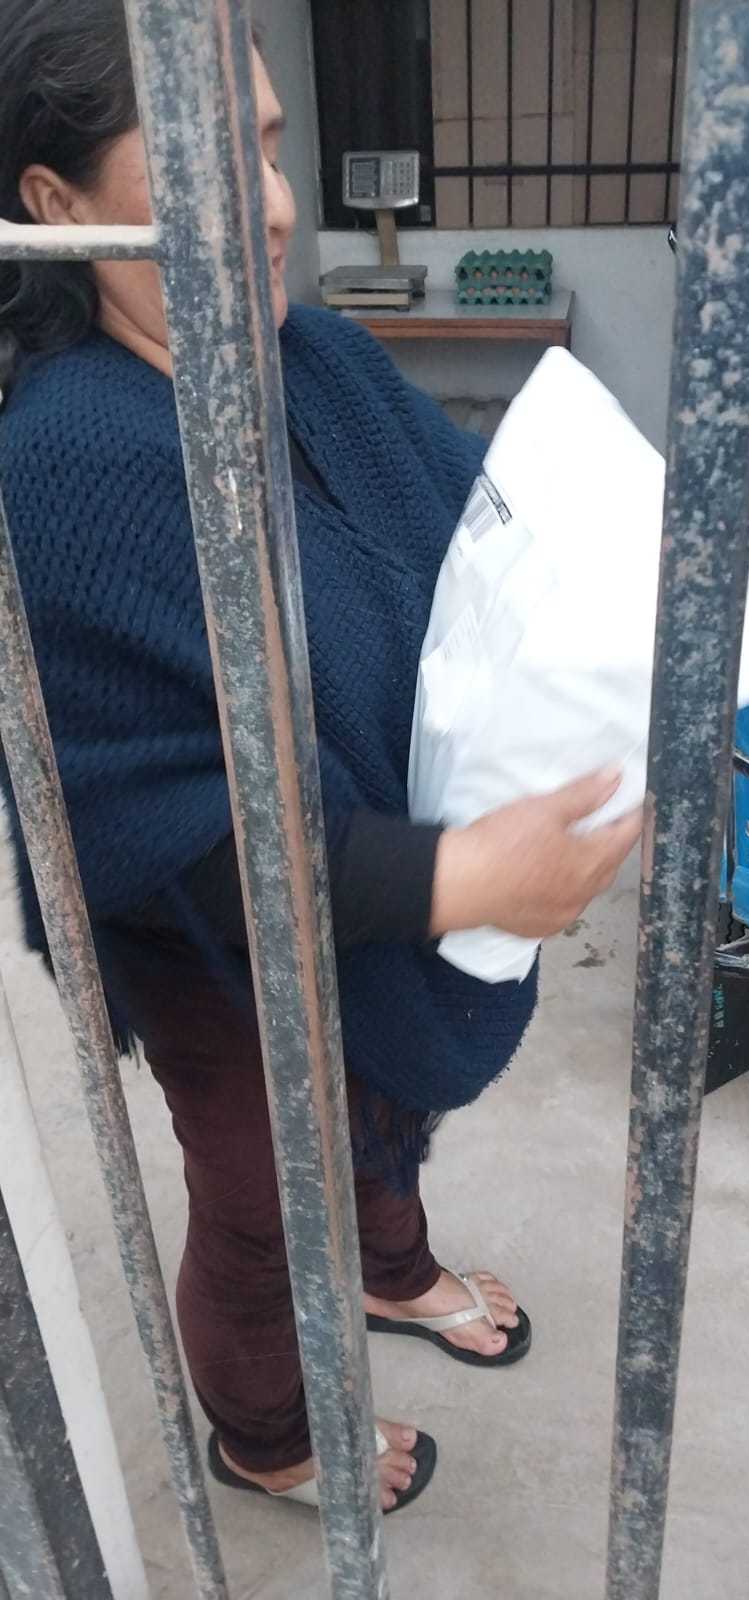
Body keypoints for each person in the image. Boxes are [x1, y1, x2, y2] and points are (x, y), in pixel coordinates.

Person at [0, 0, 643, 1514]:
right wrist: (461, 876)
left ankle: (389, 1269)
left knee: (374, 1098)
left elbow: (483, 520)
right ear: (57, 204)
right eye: (205, 159)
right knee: (259, 1191)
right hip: (202, 945)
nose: (276, 205)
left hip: (373, 870)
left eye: (273, 147)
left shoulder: (314, 356)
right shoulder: (67, 457)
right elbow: (162, 827)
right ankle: (268, 1433)